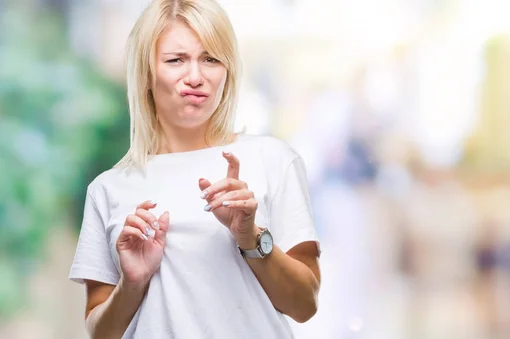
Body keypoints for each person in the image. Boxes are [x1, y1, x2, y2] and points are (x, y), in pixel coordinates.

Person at [68, 0, 321, 338]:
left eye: (211, 59)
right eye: (176, 60)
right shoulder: (108, 189)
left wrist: (250, 237)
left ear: (227, 70)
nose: (196, 77)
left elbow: (305, 306)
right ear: (146, 72)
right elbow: (101, 333)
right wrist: (132, 283)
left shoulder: (273, 160)